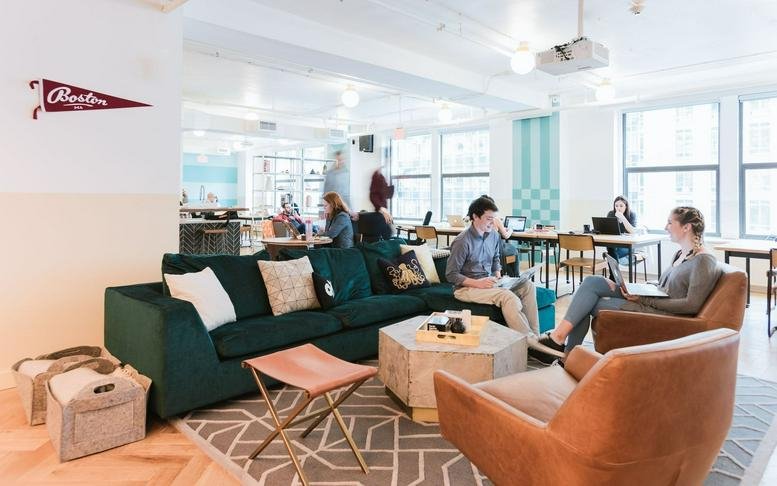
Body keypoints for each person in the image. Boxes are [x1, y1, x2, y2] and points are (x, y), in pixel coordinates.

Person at [531, 206, 721, 364]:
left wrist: (644, 299)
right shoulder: (681, 254)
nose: (666, 226)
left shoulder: (704, 261)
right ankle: (559, 340)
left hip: (661, 312)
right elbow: (667, 285)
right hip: (652, 299)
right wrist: (636, 287)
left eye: (670, 222)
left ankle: (565, 354)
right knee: (592, 281)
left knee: (591, 303)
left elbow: (691, 305)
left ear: (686, 227)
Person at [446, 197, 549, 354]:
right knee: (508, 297)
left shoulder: (493, 235)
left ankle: (536, 339)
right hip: (466, 288)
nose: (492, 222)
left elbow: (495, 259)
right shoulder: (462, 241)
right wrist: (478, 283)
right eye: (488, 218)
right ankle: (530, 345)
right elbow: (451, 274)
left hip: (490, 283)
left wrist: (499, 276)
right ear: (475, 216)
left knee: (528, 286)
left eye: (493, 219)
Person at [607, 196, 637, 262]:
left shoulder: (632, 215)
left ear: (626, 206)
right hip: (614, 243)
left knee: (611, 251)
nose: (618, 208)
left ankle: (614, 271)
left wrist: (622, 217)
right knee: (611, 248)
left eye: (621, 206)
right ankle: (615, 271)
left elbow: (632, 231)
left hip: (627, 246)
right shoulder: (611, 214)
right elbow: (608, 229)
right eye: (616, 206)